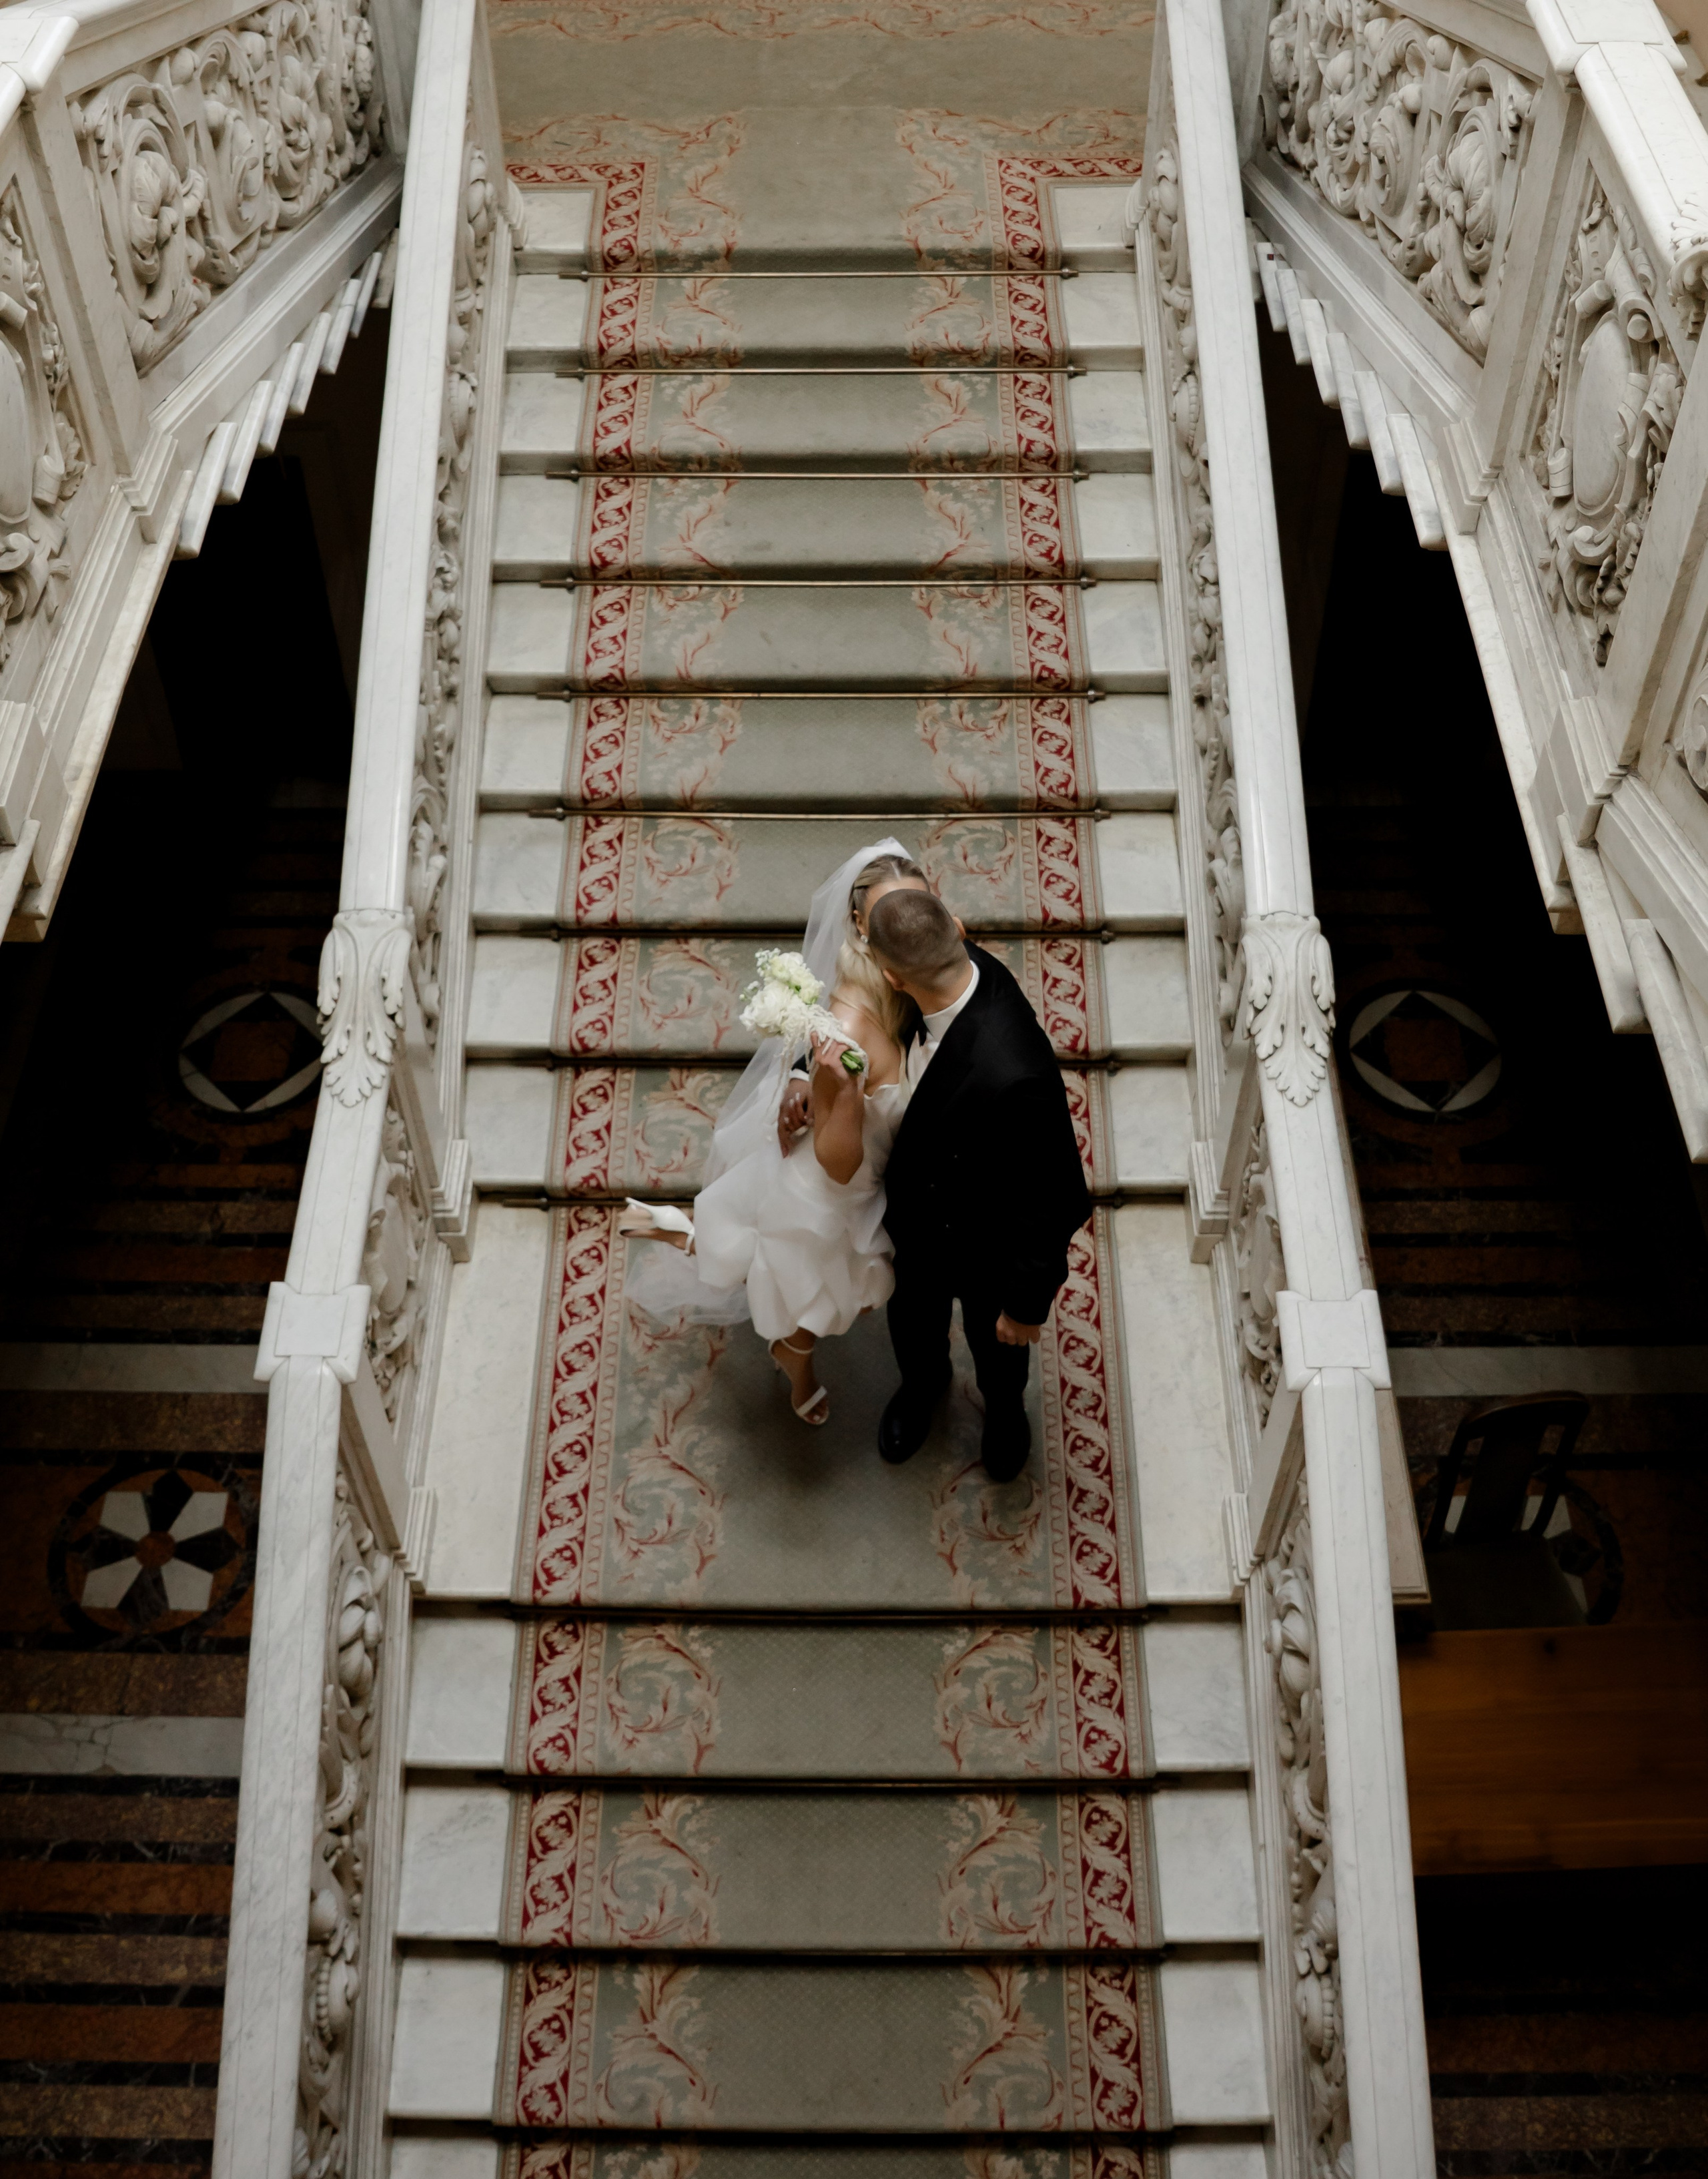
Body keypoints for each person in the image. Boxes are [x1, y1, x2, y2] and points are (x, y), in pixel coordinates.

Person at [618, 841, 931, 1426]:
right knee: (820, 1292)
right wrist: (834, 1091)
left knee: (780, 1264)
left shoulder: (898, 966)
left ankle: (672, 1227)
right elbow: (839, 1164)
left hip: (864, 1160)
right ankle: (796, 1361)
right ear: (860, 923)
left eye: (916, 907)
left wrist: (799, 1075)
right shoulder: (850, 1023)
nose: (906, 926)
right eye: (889, 915)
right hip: (833, 1181)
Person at [863, 887, 1091, 1483]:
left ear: (891, 975)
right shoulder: (954, 963)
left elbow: (1058, 1195)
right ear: (958, 928)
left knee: (998, 1355)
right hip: (916, 1226)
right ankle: (923, 1388)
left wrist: (1025, 1304)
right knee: (912, 1324)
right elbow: (857, 1020)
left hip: (988, 1245)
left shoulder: (1018, 1073)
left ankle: (1006, 1414)